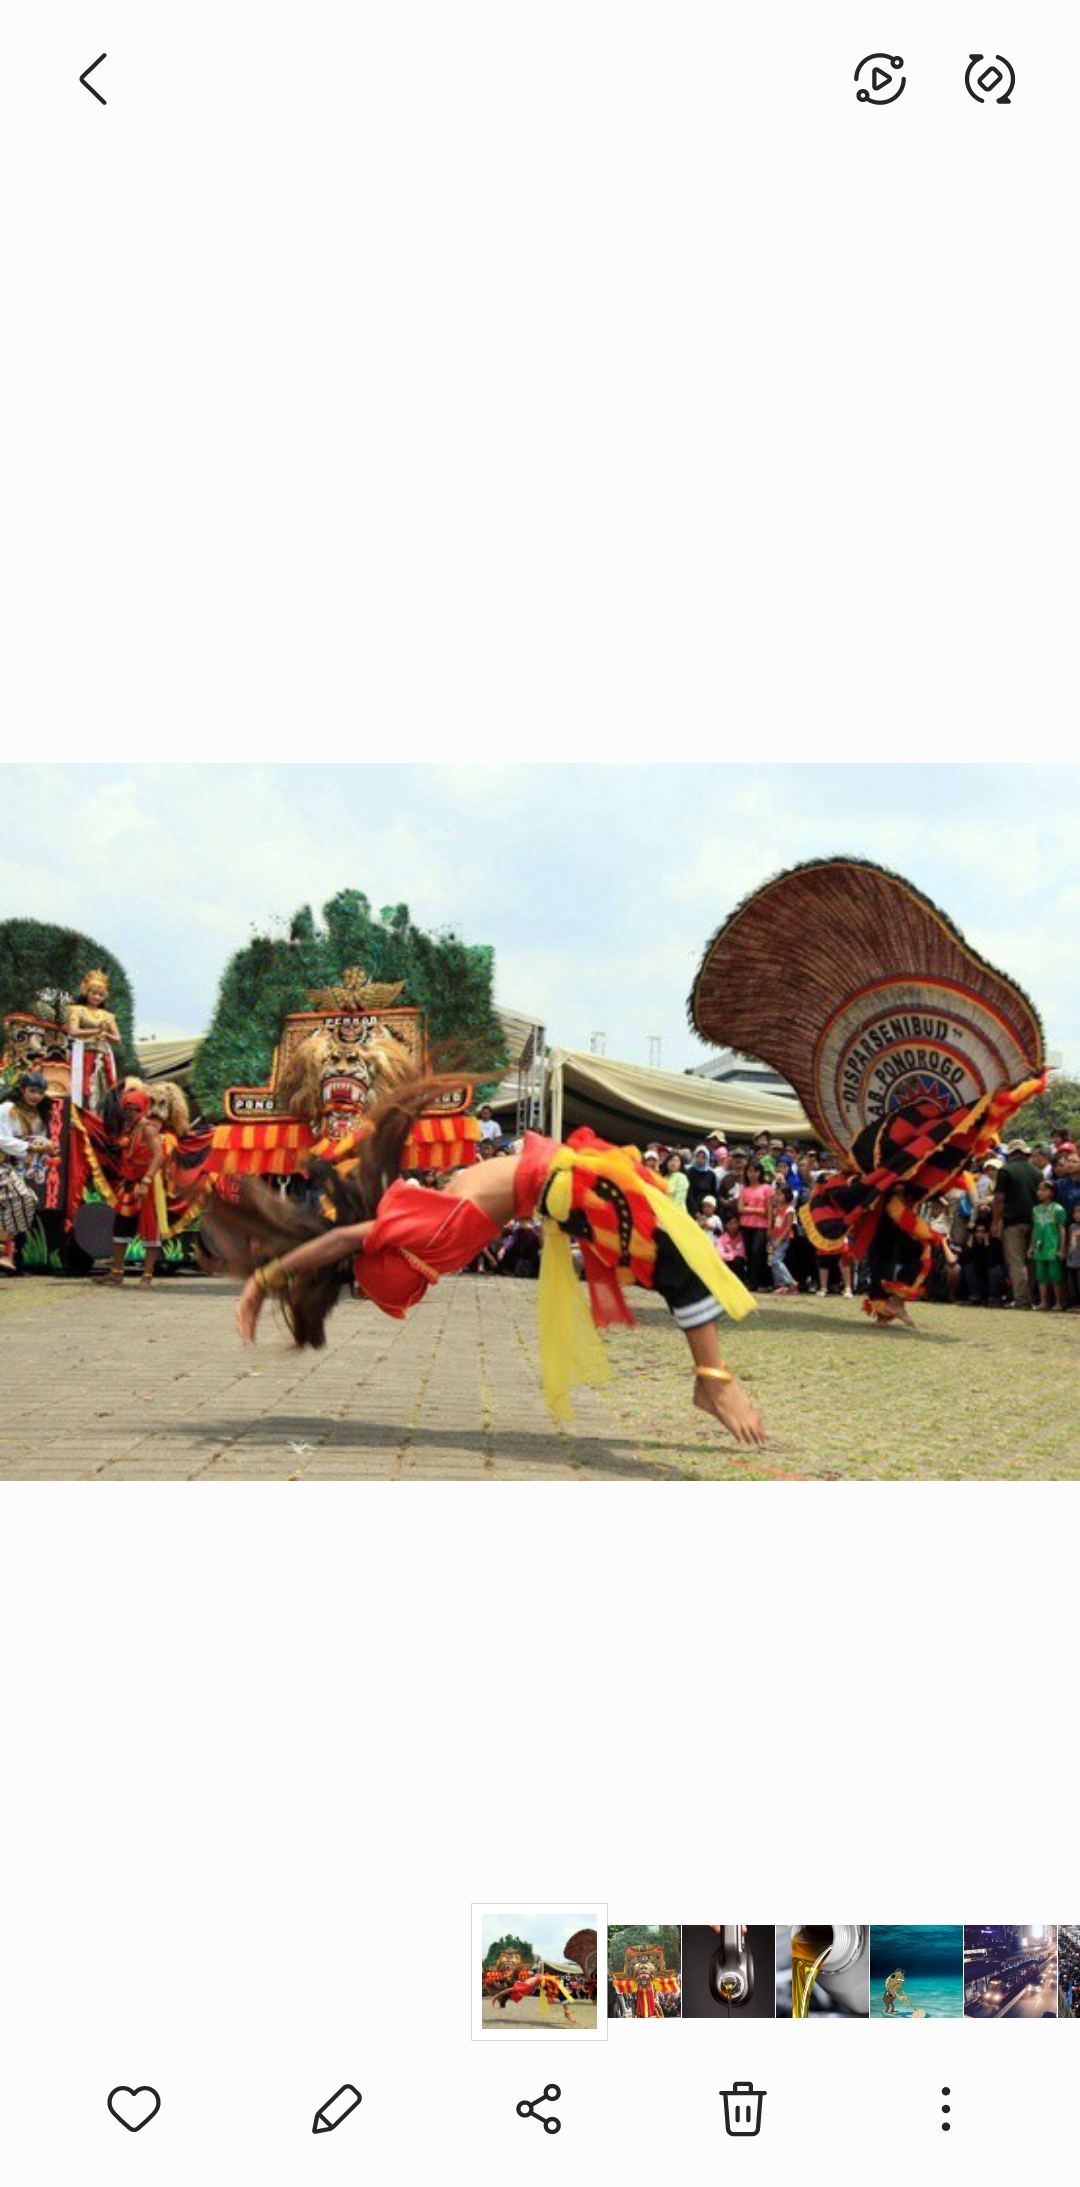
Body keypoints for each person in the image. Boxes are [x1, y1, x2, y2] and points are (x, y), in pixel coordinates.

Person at [205, 1073, 768, 1447]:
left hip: (568, 1178)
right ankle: (712, 1379)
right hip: (565, 1183)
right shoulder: (431, 1223)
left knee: (673, 1257)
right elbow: (340, 1247)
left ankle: (712, 1381)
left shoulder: (418, 1228)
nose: (412, 1292)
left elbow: (338, 1242)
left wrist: (264, 1280)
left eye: (392, 1289)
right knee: (672, 1260)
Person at [92, 1084, 167, 1288]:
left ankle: (147, 1277)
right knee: (121, 1226)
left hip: (146, 1186)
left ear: (143, 1108)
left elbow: (160, 1156)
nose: (130, 1113)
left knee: (149, 1228)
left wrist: (146, 1181)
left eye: (135, 1109)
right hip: (129, 1184)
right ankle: (116, 1273)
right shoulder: (130, 1128)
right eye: (127, 1108)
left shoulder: (148, 1128)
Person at [0, 1070, 54, 1274]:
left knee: (25, 1201)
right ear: (22, 1090)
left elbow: (33, 1140)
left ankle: (5, 1251)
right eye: (32, 1091)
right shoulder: (7, 1109)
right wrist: (36, 1148)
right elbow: (2, 1140)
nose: (36, 1096)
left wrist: (48, 1145)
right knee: (22, 1197)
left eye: (40, 1092)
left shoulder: (37, 1117)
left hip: (13, 1167)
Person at [992, 1140, 1044, 1309]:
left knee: (1016, 1262)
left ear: (1011, 1153)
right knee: (1032, 1262)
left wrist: (996, 1221)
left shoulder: (1006, 1170)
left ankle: (1022, 1300)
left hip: (1013, 1222)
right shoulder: (1037, 1172)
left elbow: (999, 1199)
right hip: (1036, 1222)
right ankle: (1034, 1297)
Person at [66, 969, 121, 1113]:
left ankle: (100, 1117)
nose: (97, 997)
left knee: (103, 1089)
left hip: (102, 1058)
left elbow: (117, 1039)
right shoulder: (76, 1010)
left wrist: (106, 1035)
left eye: (100, 994)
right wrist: (97, 1031)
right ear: (87, 992)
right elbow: (73, 1031)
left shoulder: (108, 1016)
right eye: (93, 993)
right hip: (82, 1056)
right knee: (82, 1088)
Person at [1031, 1178, 1067, 1312]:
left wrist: (1062, 1248)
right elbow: (1035, 1229)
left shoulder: (1058, 1209)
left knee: (1055, 1276)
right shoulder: (1036, 1210)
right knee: (1041, 1276)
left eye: (1044, 1190)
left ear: (1052, 1192)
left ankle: (1059, 1302)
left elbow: (1062, 1229)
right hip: (1040, 1247)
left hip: (1053, 1247)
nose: (1040, 1192)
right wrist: (1031, 1246)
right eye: (1039, 1189)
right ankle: (1043, 1302)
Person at [738, 1157, 772, 1291]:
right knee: (749, 1254)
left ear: (760, 1173)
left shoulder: (766, 1188)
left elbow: (768, 1211)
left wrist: (769, 1227)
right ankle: (752, 1282)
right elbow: (740, 1209)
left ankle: (761, 1281)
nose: (752, 1174)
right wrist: (758, 1210)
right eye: (750, 1171)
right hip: (746, 1225)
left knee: (757, 1252)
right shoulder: (744, 1189)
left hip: (761, 1226)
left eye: (755, 1171)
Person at [767, 1183, 799, 1295]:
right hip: (775, 1236)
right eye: (776, 1194)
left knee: (777, 1260)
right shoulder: (776, 1209)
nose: (777, 1197)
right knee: (772, 1261)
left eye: (780, 1194)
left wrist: (779, 1240)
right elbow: (773, 1222)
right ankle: (781, 1285)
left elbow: (788, 1227)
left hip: (783, 1238)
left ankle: (790, 1281)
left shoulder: (789, 1209)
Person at [686, 1146, 720, 1218]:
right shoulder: (689, 1173)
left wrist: (710, 1209)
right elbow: (688, 1194)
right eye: (698, 1156)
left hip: (707, 1210)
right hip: (691, 1209)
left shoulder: (711, 1174)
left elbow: (713, 1193)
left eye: (703, 1157)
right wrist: (695, 1211)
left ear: (707, 1159)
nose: (700, 1159)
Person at [717, 1210, 748, 1285]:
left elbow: (742, 1253)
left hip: (739, 1263)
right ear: (726, 1225)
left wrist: (731, 1253)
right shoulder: (721, 1239)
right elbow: (720, 1254)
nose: (734, 1226)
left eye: (735, 1223)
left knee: (738, 1261)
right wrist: (733, 1254)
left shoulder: (742, 1237)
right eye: (731, 1224)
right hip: (728, 1263)